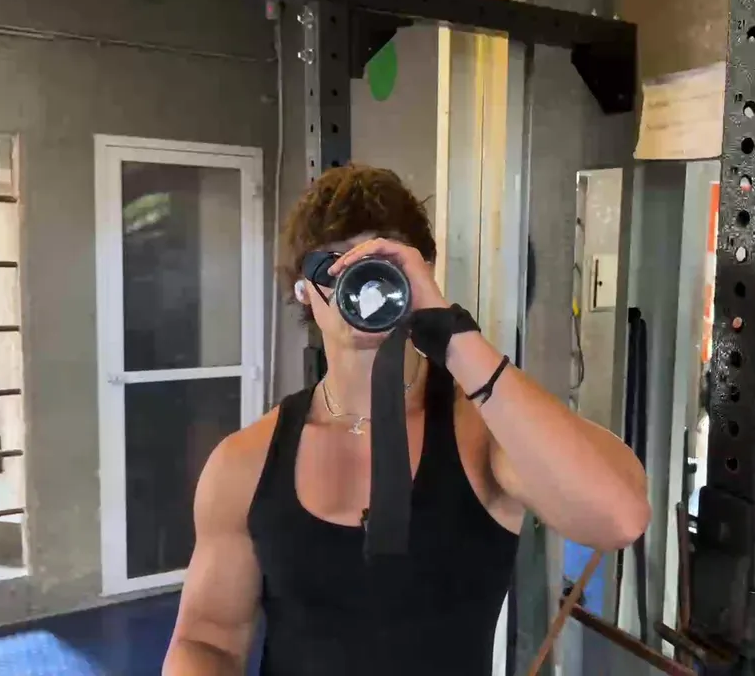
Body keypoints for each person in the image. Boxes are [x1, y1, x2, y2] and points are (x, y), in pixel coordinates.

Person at [162, 164, 651, 676]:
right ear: (304, 289)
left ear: (421, 269)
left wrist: (453, 333)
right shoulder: (246, 462)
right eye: (334, 265)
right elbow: (207, 639)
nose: (359, 283)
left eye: (380, 260)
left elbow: (620, 518)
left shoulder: (482, 433)